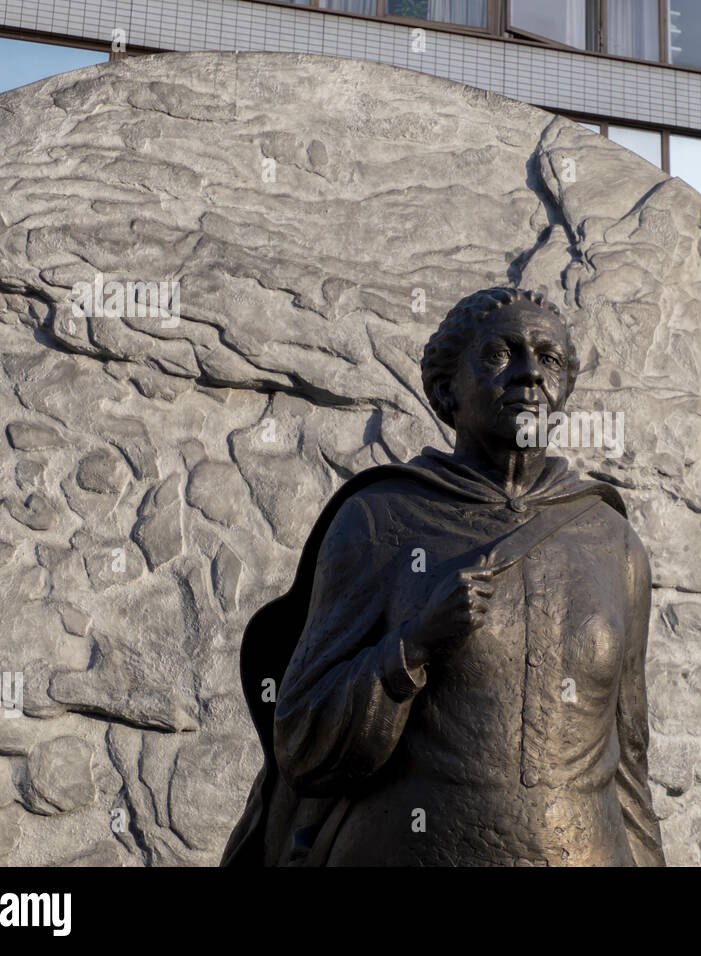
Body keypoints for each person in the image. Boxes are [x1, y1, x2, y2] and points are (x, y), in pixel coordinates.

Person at [221, 287, 664, 866]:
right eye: (502, 353)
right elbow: (301, 741)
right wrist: (411, 648)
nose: (531, 373)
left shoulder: (615, 545)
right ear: (446, 387)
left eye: (550, 358)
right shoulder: (381, 520)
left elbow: (629, 760)